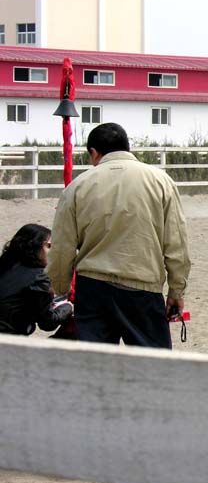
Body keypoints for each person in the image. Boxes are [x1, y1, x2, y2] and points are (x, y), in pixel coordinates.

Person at [48, 123, 190, 349]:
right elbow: (176, 244)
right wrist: (176, 290)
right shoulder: (161, 181)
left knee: (95, 366)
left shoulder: (77, 186)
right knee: (152, 366)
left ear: (94, 152)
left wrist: (61, 287)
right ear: (127, 147)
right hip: (142, 285)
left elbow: (62, 246)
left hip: (93, 286)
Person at [0, 224, 73, 335]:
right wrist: (67, 307)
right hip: (7, 340)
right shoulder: (39, 278)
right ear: (35, 247)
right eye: (49, 246)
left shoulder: (5, 265)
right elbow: (48, 322)